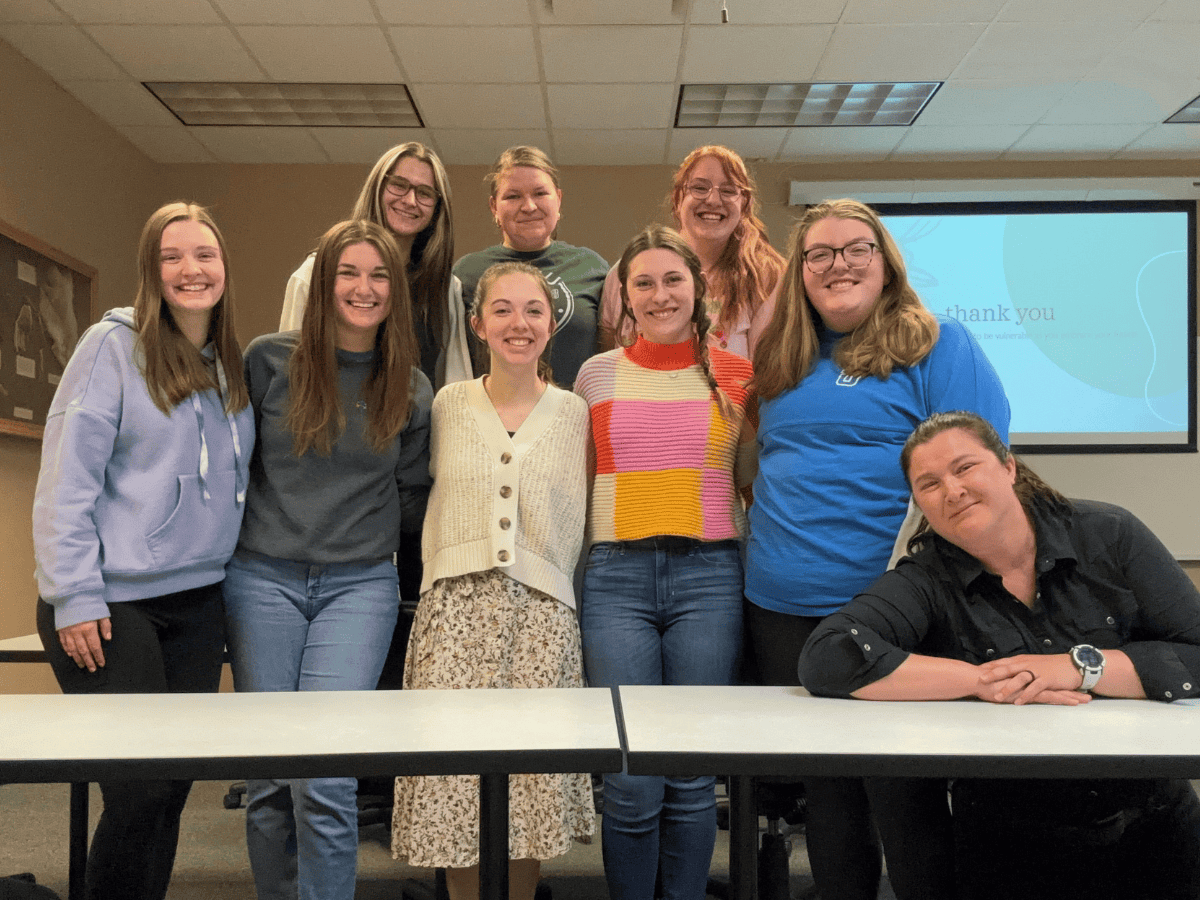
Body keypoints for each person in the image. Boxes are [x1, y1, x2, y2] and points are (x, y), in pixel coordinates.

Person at [800, 410, 1200, 900]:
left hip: (1151, 823)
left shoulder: (1108, 534)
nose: (952, 490)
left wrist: (1080, 669)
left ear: (1009, 466)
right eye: (929, 484)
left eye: (965, 467)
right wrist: (979, 680)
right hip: (1009, 837)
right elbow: (828, 656)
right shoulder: (927, 577)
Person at [745, 198, 1011, 900]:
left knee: (903, 792)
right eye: (821, 253)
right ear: (800, 272)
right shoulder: (782, 357)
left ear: (885, 260)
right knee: (827, 795)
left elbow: (982, 476)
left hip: (892, 605)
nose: (840, 264)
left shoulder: (938, 343)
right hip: (780, 602)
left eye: (856, 248)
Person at [32, 201, 252, 900]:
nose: (192, 269)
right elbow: (66, 480)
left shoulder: (231, 366)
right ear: (150, 273)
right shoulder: (112, 348)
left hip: (195, 602)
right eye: (173, 256)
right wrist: (73, 594)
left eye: (205, 255)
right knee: (138, 789)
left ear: (225, 268)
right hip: (111, 603)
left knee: (170, 791)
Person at [223, 219, 432, 900]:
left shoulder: (411, 384)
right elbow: (234, 466)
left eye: (378, 276)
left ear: (395, 292)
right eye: (349, 273)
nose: (364, 288)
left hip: (360, 587)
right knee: (270, 775)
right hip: (262, 579)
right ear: (323, 283)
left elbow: (409, 494)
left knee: (329, 771)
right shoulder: (266, 361)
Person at [391, 261, 595, 900]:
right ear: (477, 324)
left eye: (533, 309)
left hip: (542, 619)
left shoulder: (574, 413)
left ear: (552, 322)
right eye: (502, 309)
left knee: (530, 790)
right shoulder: (447, 404)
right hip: (454, 616)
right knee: (455, 787)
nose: (519, 323)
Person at [575, 225, 757, 900]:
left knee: (689, 772)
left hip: (709, 577)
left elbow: (749, 483)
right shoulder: (596, 374)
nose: (658, 295)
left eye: (672, 280)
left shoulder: (738, 375)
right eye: (642, 283)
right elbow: (582, 481)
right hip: (616, 577)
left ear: (697, 286)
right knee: (630, 771)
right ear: (625, 295)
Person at [279, 141, 471, 390]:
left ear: (437, 208)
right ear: (377, 188)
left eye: (424, 193)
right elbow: (290, 375)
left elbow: (455, 387)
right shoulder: (317, 273)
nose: (410, 200)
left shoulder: (444, 289)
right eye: (399, 185)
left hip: (412, 427)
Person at [599, 144, 785, 361]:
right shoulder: (627, 272)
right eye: (699, 188)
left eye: (728, 190)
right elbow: (606, 357)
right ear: (678, 199)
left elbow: (768, 376)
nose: (713, 200)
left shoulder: (767, 278)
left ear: (744, 205)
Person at [454, 145, 608, 387]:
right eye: (513, 196)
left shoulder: (591, 267)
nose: (529, 206)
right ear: (494, 206)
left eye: (539, 193)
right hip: (489, 418)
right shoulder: (466, 273)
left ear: (558, 199)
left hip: (575, 417)